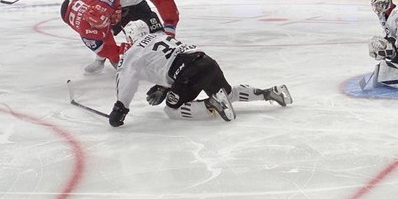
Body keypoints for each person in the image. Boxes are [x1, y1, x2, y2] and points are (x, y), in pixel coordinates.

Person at [108, 20, 292, 127]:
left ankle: (211, 103)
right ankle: (269, 92)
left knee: (171, 110)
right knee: (229, 94)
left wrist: (120, 108)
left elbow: (126, 82)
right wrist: (164, 86)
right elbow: (165, 61)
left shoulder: (132, 53)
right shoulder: (161, 36)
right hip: (206, 61)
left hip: (188, 72)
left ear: (130, 37)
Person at [61, 0, 125, 70]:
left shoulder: (100, 3)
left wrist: (117, 7)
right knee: (107, 49)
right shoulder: (87, 32)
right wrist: (124, 48)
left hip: (75, 2)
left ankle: (112, 61)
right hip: (67, 15)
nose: (104, 25)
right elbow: (106, 50)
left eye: (105, 21)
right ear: (91, 24)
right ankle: (101, 60)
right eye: (100, 25)